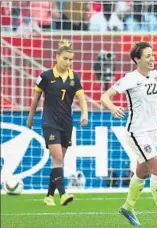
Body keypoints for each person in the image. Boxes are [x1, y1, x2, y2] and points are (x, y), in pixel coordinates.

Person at [100, 42, 157, 226]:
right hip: (136, 132)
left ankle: (128, 206)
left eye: (153, 55)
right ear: (136, 59)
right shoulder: (130, 79)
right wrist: (113, 107)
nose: (152, 59)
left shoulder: (156, 75)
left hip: (153, 131)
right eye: (147, 56)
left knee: (142, 172)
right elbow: (105, 97)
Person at [26, 40, 88, 206]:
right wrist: (30, 117)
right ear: (57, 57)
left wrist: (85, 112)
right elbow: (36, 98)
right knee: (58, 158)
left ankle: (48, 196)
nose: (68, 62)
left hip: (66, 122)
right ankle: (63, 194)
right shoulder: (45, 76)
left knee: (57, 162)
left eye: (71, 59)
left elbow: (81, 96)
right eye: (65, 58)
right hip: (50, 121)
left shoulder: (74, 77)